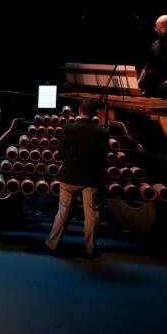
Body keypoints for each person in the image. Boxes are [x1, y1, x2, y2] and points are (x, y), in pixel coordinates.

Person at [45, 98, 109, 258]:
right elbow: (104, 156)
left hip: (69, 177)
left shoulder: (68, 128)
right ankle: (91, 248)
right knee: (91, 213)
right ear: (94, 114)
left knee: (63, 211)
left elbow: (60, 154)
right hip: (90, 179)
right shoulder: (102, 132)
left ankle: (52, 244)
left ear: (79, 112)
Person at [137, 14, 167, 97]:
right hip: (156, 92)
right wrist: (137, 84)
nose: (157, 31)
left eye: (161, 28)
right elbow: (148, 66)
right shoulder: (155, 44)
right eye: (156, 28)